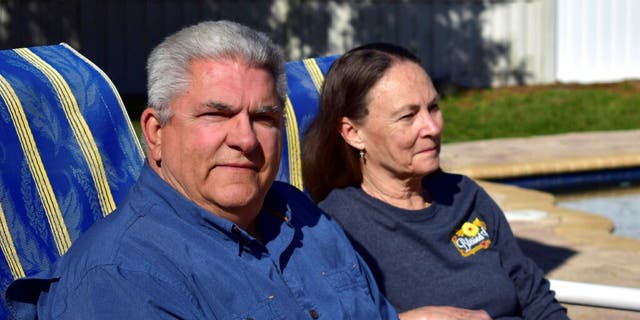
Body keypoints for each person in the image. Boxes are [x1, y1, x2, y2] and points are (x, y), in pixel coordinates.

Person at [5, 21, 401, 319]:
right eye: (216, 114)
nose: (245, 140)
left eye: (264, 118)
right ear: (156, 132)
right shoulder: (120, 278)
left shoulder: (299, 215)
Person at [302, 43, 570, 320]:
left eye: (433, 107)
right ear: (353, 132)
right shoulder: (335, 228)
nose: (432, 127)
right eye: (408, 116)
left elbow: (536, 298)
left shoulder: (464, 195)